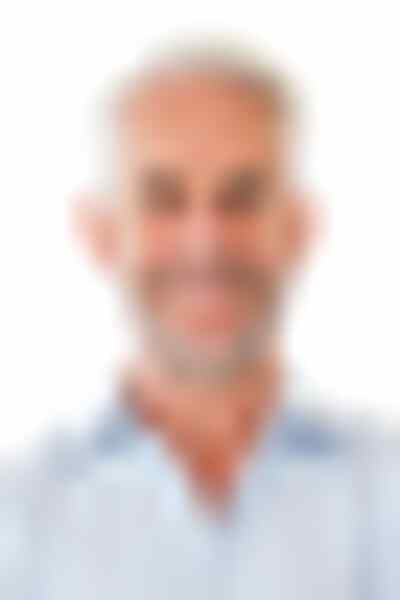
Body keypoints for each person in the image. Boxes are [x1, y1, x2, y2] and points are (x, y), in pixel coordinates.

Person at [1, 38, 399, 600]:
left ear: (298, 227)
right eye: (164, 200)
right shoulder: (20, 521)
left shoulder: (384, 495)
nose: (206, 242)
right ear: (101, 233)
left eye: (242, 198)